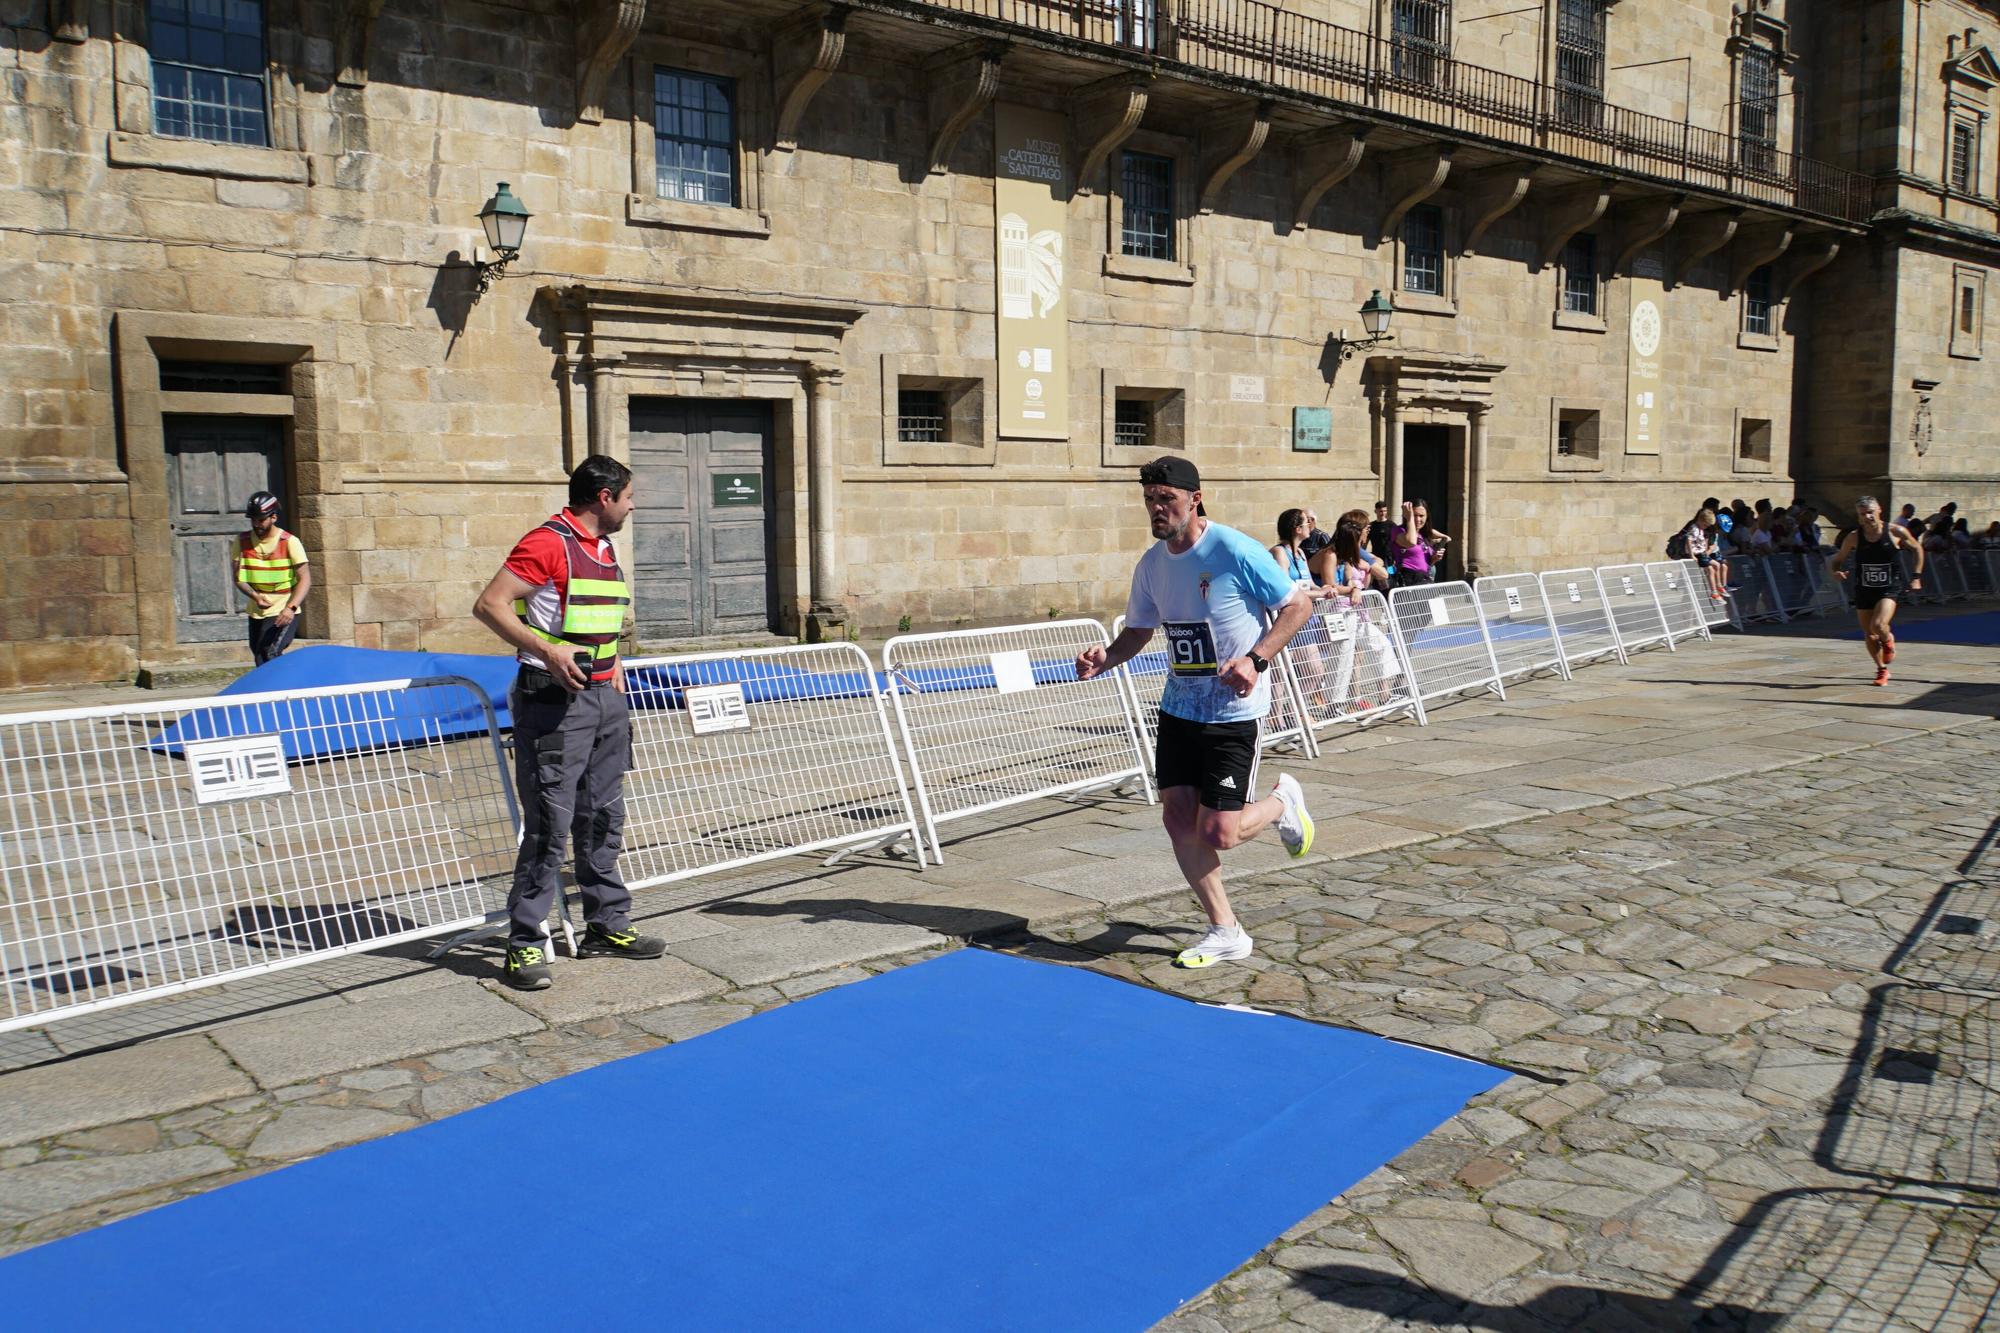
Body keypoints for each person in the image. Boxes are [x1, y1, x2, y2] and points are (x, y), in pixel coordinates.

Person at [1076, 455, 1316, 970]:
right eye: (1149, 500)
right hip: (1178, 709)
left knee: (1220, 834)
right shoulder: (1152, 564)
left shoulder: (1233, 550)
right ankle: (1224, 929)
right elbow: (1140, 630)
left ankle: (1281, 803)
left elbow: (1298, 606)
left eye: (1166, 499)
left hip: (1233, 711)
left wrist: (1257, 659)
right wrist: (1107, 655)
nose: (1156, 509)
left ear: (1194, 498)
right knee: (1177, 818)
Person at [471, 455, 665, 990]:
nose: (633, 503)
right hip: (554, 704)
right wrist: (549, 651)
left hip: (604, 698)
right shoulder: (546, 543)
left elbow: (595, 619)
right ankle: (526, 941)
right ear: (604, 497)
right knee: (550, 826)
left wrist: (614, 660)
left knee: (603, 815)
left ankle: (605, 923)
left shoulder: (604, 547)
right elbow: (490, 606)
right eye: (629, 495)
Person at [1832, 495, 1924, 687]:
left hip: (1888, 588)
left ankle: (1888, 639)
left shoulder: (1895, 531)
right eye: (1863, 514)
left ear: (1879, 510)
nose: (1868, 517)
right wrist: (1837, 571)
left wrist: (1916, 576)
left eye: (1871, 512)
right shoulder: (1854, 537)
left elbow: (1917, 549)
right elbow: (1838, 559)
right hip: (1864, 589)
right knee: (1869, 634)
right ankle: (1882, 669)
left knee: (1879, 625)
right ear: (1858, 516)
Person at [235, 491, 311, 665]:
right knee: (259, 657)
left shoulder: (289, 541)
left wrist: (291, 608)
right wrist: (254, 596)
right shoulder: (241, 541)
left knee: (271, 653)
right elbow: (238, 577)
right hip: (257, 610)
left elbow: (305, 579)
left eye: (261, 520)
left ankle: (288, 689)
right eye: (253, 519)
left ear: (274, 517)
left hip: (283, 608)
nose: (256, 524)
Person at [1390, 498, 1449, 587]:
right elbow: (1411, 542)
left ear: (1427, 516)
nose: (1418, 519)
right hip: (1406, 581)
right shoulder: (1398, 531)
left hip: (1424, 580)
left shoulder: (1424, 535)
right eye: (1414, 515)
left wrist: (1434, 559)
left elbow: (1425, 564)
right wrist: (1409, 519)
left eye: (1421, 516)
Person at [1681, 508, 1728, 602]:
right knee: (1710, 569)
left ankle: (1719, 585)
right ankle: (1714, 592)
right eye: (1705, 525)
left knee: (1717, 565)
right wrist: (1692, 555)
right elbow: (1689, 541)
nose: (1706, 527)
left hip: (1702, 552)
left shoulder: (1700, 529)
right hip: (1697, 553)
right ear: (1701, 520)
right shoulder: (1694, 528)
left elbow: (1703, 541)